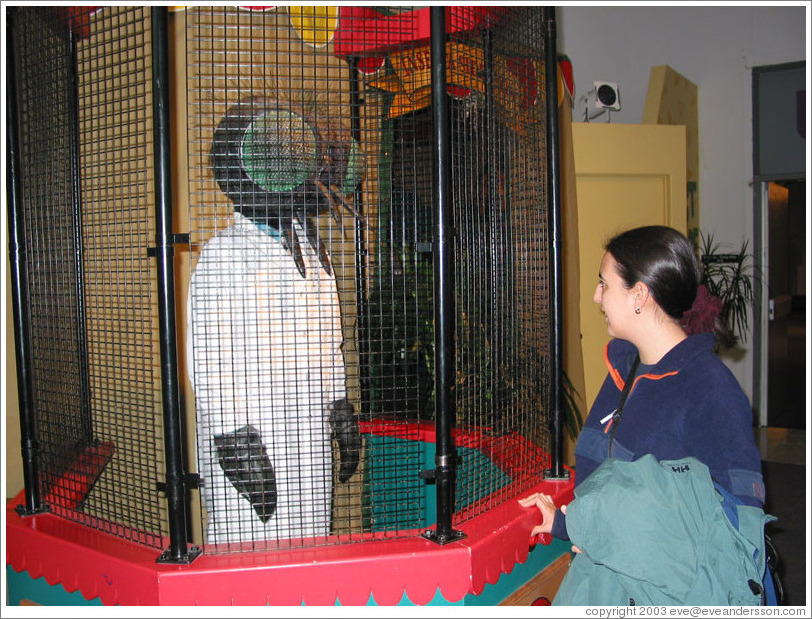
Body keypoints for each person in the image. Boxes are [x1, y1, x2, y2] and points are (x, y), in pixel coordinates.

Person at [520, 225, 768, 602]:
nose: (595, 295)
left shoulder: (711, 389)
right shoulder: (623, 371)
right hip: (606, 578)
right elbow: (606, 484)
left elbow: (732, 531)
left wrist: (595, 531)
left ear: (639, 295)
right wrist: (569, 523)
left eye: (604, 284)